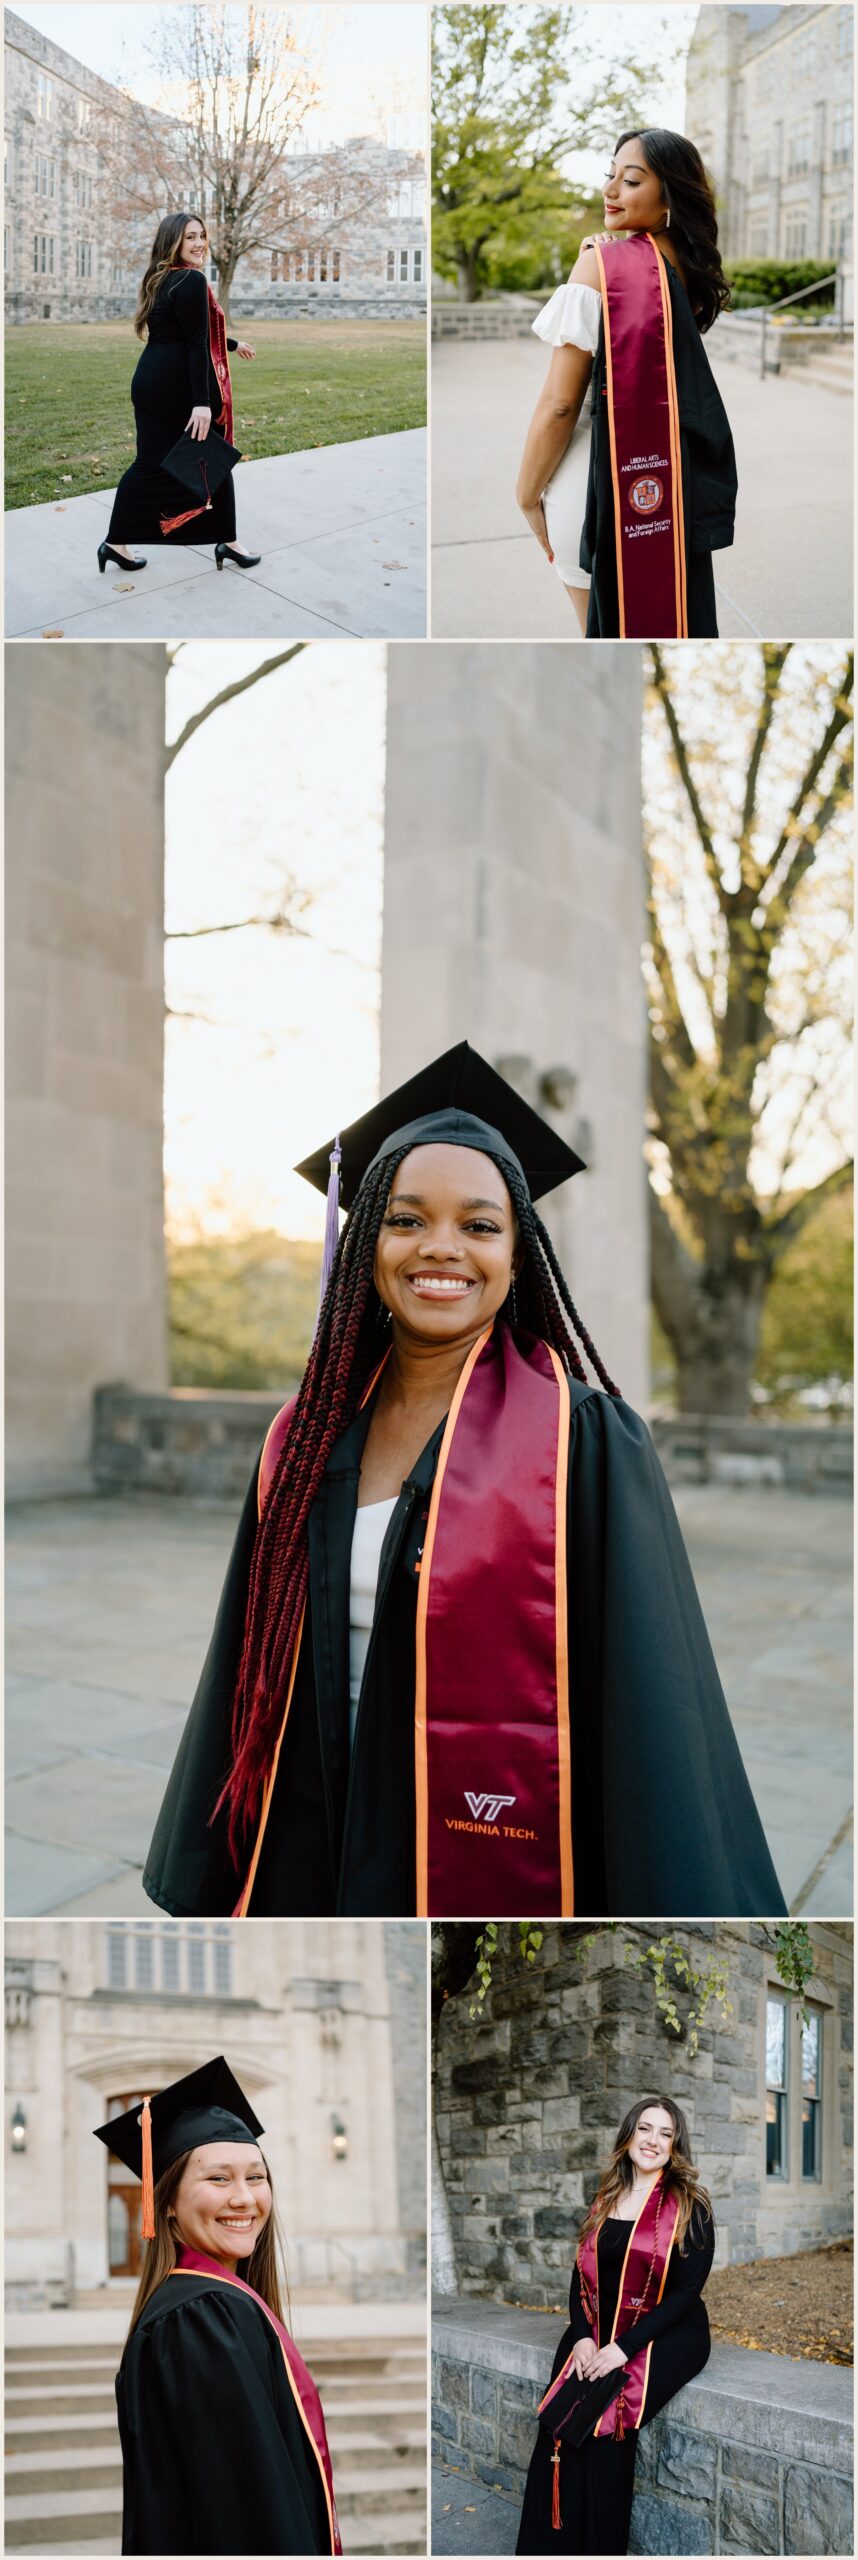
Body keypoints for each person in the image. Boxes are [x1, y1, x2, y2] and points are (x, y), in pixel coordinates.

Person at [143, 1041, 785, 1924]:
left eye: (480, 1225)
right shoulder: (303, 1441)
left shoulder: (586, 1443)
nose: (440, 1247)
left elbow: (653, 1716)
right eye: (406, 1219)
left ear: (519, 1257)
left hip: (485, 1855)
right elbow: (243, 1671)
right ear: (366, 1241)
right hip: (312, 1836)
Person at [93, 2056, 340, 2557]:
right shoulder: (201, 2318)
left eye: (256, 2177)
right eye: (219, 2179)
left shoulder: (204, 2303)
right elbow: (250, 2511)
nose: (245, 2199)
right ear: (165, 2201)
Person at [516, 131, 737, 637]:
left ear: (670, 197)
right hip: (668, 487)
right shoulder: (691, 266)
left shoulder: (602, 263)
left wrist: (526, 494)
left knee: (602, 643)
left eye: (631, 180)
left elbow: (559, 404)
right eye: (609, 174)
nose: (611, 190)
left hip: (590, 485)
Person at [517, 2096, 715, 2556]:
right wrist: (584, 2337)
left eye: (665, 2134)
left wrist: (623, 2348)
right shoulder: (606, 2198)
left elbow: (686, 2294)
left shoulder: (689, 2206)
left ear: (675, 2146)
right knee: (562, 2422)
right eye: (645, 2129)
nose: (653, 2141)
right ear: (628, 2135)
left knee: (608, 2420)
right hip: (600, 2325)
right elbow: (579, 2276)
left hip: (668, 2332)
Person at [100, 211, 260, 577]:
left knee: (149, 464)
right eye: (190, 237)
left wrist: (232, 344)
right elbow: (195, 344)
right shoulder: (190, 279)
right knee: (212, 460)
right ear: (173, 241)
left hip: (150, 381)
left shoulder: (162, 278)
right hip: (176, 389)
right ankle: (229, 543)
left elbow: (183, 329)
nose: (200, 243)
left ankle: (115, 544)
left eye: (202, 235)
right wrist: (202, 404)